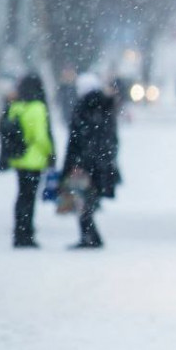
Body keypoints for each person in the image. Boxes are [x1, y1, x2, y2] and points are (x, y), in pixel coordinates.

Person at [62, 74, 121, 249]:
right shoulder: (106, 107)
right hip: (102, 163)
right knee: (88, 201)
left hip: (84, 164)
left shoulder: (82, 108)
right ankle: (91, 236)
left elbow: (75, 140)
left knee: (81, 200)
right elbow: (111, 138)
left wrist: (73, 163)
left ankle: (89, 236)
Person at [0, 74, 56, 248]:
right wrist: (50, 152)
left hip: (19, 159)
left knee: (21, 196)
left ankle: (20, 231)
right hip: (34, 160)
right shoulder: (37, 107)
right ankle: (26, 233)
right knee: (29, 198)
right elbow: (40, 136)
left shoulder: (17, 106)